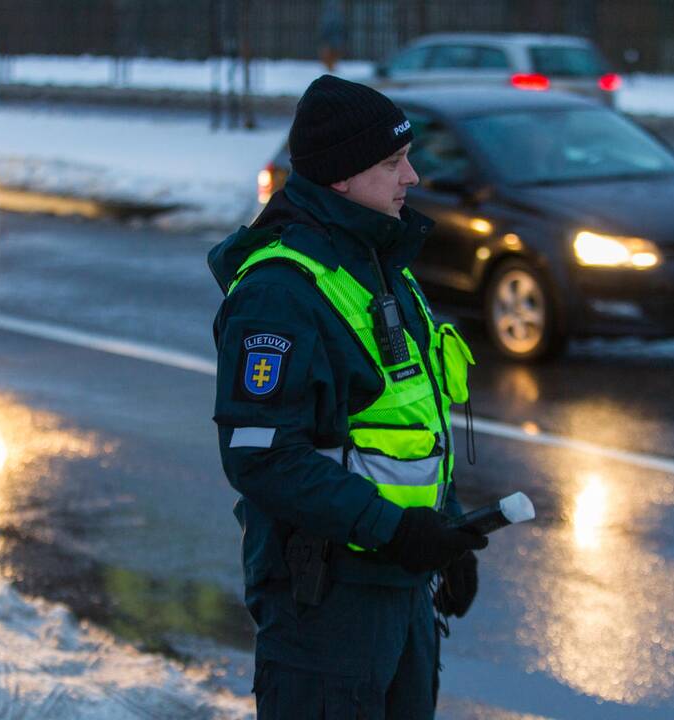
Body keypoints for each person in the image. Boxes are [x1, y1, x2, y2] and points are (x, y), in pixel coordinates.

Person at [208, 75, 487, 719]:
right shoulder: (279, 292)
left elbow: (411, 423)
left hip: (399, 585)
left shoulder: (382, 264)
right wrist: (396, 529)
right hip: (327, 608)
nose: (412, 177)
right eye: (392, 162)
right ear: (339, 177)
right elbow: (263, 457)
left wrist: (445, 525)